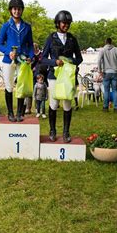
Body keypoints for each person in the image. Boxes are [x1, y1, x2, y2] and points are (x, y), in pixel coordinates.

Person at [41, 10, 83, 142]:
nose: (66, 25)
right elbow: (43, 59)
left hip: (68, 77)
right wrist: (55, 62)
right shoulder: (51, 38)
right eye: (64, 23)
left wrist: (71, 63)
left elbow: (79, 58)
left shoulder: (72, 38)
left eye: (68, 23)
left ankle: (66, 132)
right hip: (54, 76)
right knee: (53, 104)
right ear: (58, 23)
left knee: (67, 104)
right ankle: (52, 130)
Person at [0, 0, 34, 122]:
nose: (16, 11)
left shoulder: (27, 27)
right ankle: (10, 113)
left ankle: (19, 113)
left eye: (19, 9)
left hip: (22, 61)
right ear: (11, 10)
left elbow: (30, 45)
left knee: (21, 86)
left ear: (22, 10)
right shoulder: (6, 26)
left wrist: (30, 57)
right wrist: (8, 52)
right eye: (14, 9)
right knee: (8, 86)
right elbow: (0, 44)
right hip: (9, 60)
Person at [97, 37, 117, 112]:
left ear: (105, 42)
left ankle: (105, 107)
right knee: (115, 90)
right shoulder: (116, 49)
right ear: (111, 42)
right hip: (114, 72)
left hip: (106, 72)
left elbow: (98, 60)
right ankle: (116, 108)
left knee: (106, 91)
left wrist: (100, 71)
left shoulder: (102, 50)